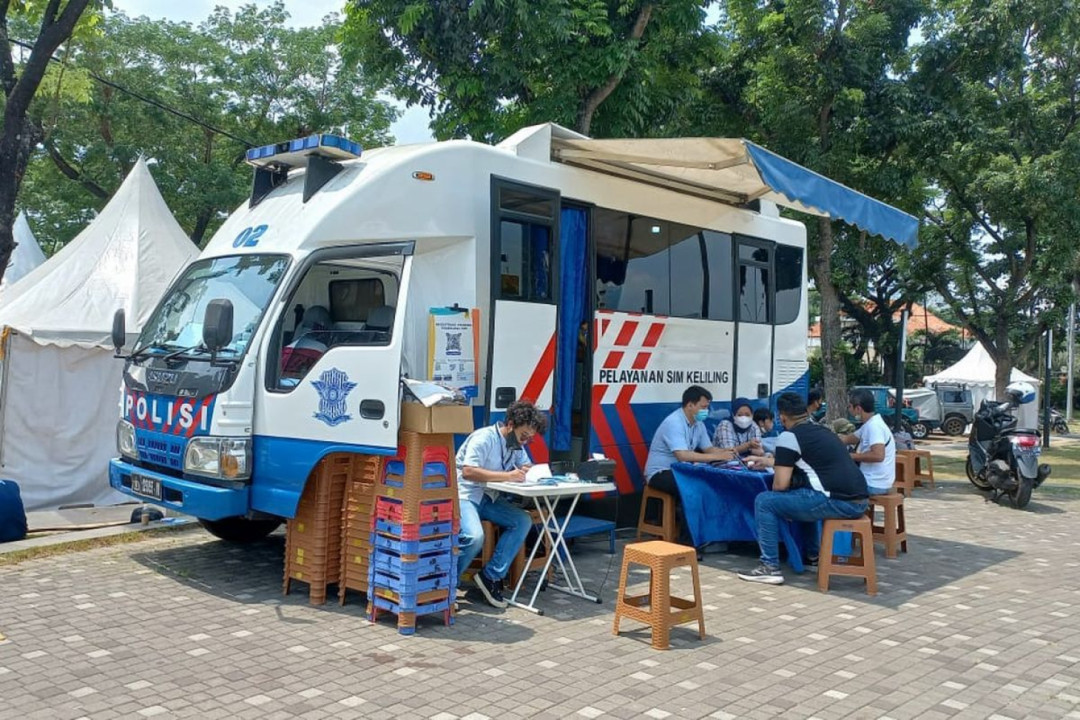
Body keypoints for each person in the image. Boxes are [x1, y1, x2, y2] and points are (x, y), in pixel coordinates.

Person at [737, 392, 869, 585]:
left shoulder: (789, 436)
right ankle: (812, 556)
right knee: (803, 496)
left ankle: (769, 567)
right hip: (860, 500)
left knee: (765, 502)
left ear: (782, 417)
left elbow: (780, 485)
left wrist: (782, 493)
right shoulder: (823, 431)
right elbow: (810, 464)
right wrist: (767, 461)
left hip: (837, 501)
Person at [456, 400, 548, 609]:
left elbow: (525, 464)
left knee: (522, 521)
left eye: (530, 438)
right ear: (510, 424)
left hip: (489, 498)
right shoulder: (484, 438)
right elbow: (468, 471)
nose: (526, 441)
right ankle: (448, 584)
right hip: (466, 495)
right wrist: (508, 476)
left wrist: (529, 471)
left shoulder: (516, 445)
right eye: (524, 436)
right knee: (474, 537)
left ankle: (490, 576)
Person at [643, 385, 735, 510]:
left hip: (681, 469)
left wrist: (726, 452)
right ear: (690, 405)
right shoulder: (674, 422)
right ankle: (687, 523)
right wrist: (717, 456)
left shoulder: (699, 424)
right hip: (660, 473)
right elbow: (682, 455)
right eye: (703, 407)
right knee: (696, 487)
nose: (706, 411)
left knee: (712, 482)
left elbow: (708, 449)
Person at [839, 388, 896, 496]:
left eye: (849, 406)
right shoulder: (869, 424)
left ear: (858, 408)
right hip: (874, 481)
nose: (848, 409)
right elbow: (848, 439)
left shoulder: (874, 427)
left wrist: (850, 456)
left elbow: (878, 456)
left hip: (874, 483)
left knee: (832, 486)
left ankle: (858, 507)